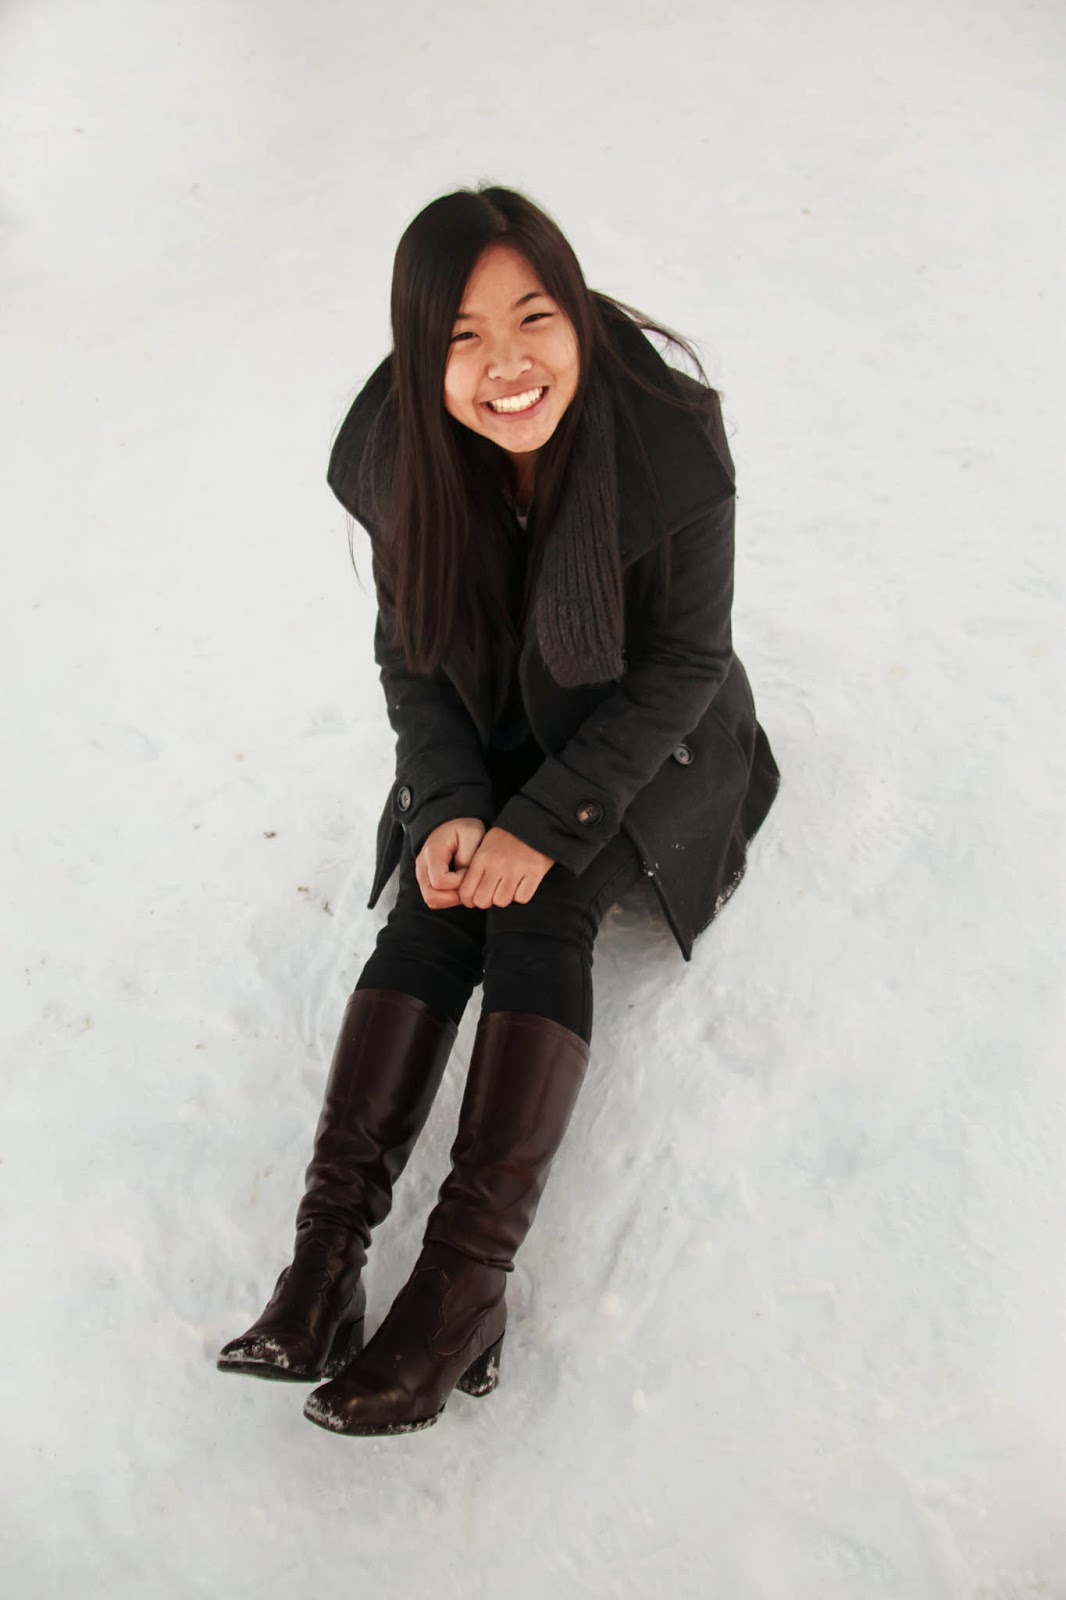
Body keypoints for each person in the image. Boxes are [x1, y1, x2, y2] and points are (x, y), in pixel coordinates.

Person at [217, 183, 781, 1436]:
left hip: (647, 737)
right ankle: (323, 1265)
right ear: (422, 354)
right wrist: (450, 806)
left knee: (538, 910)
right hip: (493, 720)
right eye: (462, 337)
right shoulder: (401, 448)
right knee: (434, 910)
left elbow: (685, 667)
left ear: (574, 309)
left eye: (533, 318)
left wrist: (546, 822)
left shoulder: (669, 440)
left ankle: (461, 1285)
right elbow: (415, 655)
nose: (506, 366)